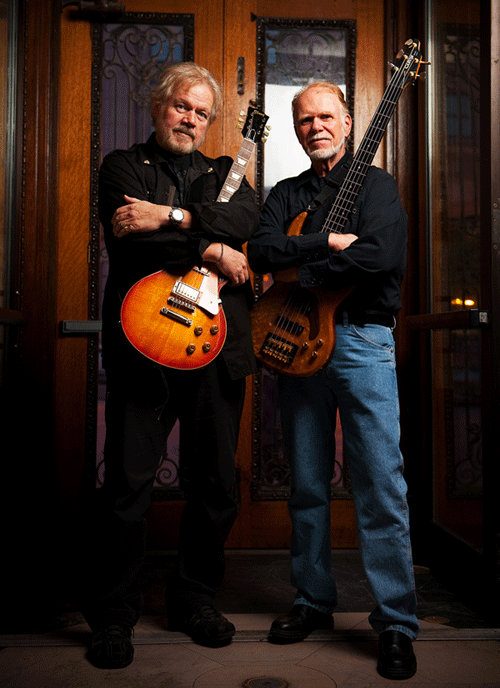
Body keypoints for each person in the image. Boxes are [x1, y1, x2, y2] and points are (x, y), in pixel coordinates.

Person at [82, 62, 258, 669]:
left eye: (202, 113)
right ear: (159, 105)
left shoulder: (226, 173)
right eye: (183, 106)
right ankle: (113, 614)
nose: (191, 119)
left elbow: (246, 222)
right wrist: (211, 247)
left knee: (215, 483)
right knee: (127, 485)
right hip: (144, 345)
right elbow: (132, 240)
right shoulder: (122, 167)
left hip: (217, 351)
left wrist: (172, 216)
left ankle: (194, 599)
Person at [247, 81, 419, 680]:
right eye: (304, 119)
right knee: (307, 482)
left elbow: (380, 256)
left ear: (347, 122)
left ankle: (396, 622)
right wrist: (322, 242)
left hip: (362, 342)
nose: (315, 126)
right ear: (296, 128)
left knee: (380, 484)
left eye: (326, 116)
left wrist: (304, 269)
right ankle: (312, 599)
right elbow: (261, 252)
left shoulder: (378, 186)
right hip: (296, 341)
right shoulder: (285, 192)